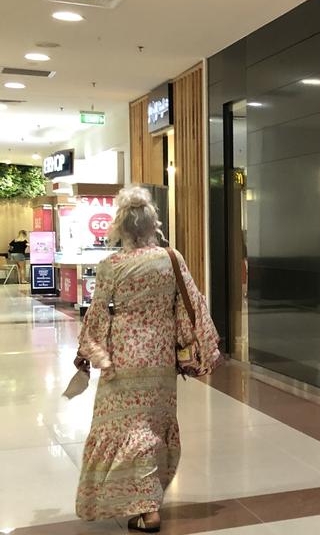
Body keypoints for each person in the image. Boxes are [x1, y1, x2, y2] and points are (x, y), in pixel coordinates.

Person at [73, 187, 219, 532]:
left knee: (125, 429)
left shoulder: (110, 266)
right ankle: (147, 500)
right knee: (152, 428)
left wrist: (89, 352)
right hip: (159, 359)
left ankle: (146, 507)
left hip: (122, 360)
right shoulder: (171, 258)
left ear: (120, 228)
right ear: (153, 224)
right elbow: (191, 305)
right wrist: (196, 347)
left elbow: (98, 317)